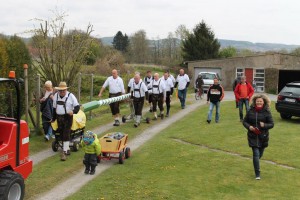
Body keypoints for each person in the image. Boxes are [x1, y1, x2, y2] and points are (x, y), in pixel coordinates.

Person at [243, 94, 274, 180]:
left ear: (263, 102)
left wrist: (264, 125)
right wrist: (249, 127)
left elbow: (272, 124)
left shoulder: (267, 111)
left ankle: (255, 162)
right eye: (257, 101)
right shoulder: (250, 110)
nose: (259, 102)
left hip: (263, 137)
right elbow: (245, 121)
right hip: (252, 136)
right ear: (255, 102)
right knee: (256, 154)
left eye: (260, 101)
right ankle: (257, 174)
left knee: (259, 155)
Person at [52, 82, 80, 161]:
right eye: (60, 91)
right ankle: (67, 149)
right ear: (58, 90)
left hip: (68, 117)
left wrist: (73, 112)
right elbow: (54, 108)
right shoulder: (55, 96)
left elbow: (77, 107)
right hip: (59, 117)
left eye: (63, 90)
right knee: (60, 133)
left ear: (66, 90)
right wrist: (53, 118)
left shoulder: (71, 96)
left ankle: (64, 152)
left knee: (66, 133)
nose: (62, 92)